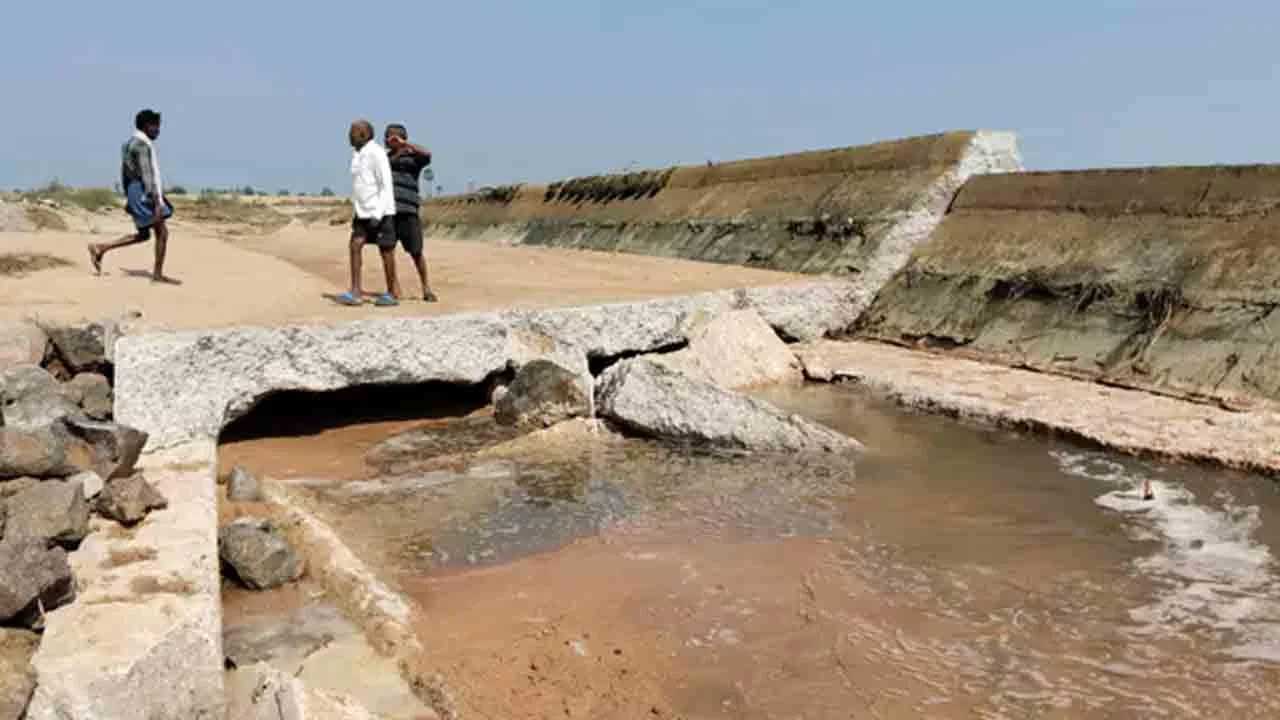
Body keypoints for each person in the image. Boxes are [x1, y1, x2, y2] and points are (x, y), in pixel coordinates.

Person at [88, 109, 177, 283]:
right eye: (155, 126)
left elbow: (124, 173)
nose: (158, 131)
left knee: (144, 234)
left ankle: (101, 248)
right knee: (162, 232)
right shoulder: (142, 146)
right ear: (146, 126)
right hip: (144, 192)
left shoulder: (128, 144)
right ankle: (157, 275)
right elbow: (147, 174)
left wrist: (129, 196)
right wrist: (155, 201)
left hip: (134, 190)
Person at [335, 119, 399, 306]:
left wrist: (378, 214)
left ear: (363, 134)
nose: (349, 136)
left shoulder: (377, 153)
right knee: (355, 246)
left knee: (386, 251)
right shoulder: (357, 154)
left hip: (380, 211)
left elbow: (385, 185)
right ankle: (355, 291)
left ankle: (391, 293)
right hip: (361, 211)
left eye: (352, 132)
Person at [384, 124, 438, 302]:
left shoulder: (414, 158)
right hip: (388, 211)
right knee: (388, 250)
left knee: (416, 252)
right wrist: (397, 150)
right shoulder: (384, 158)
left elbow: (428, 154)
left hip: (409, 210)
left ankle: (426, 287)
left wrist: (405, 144)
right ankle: (393, 289)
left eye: (394, 136)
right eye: (388, 136)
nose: (391, 139)